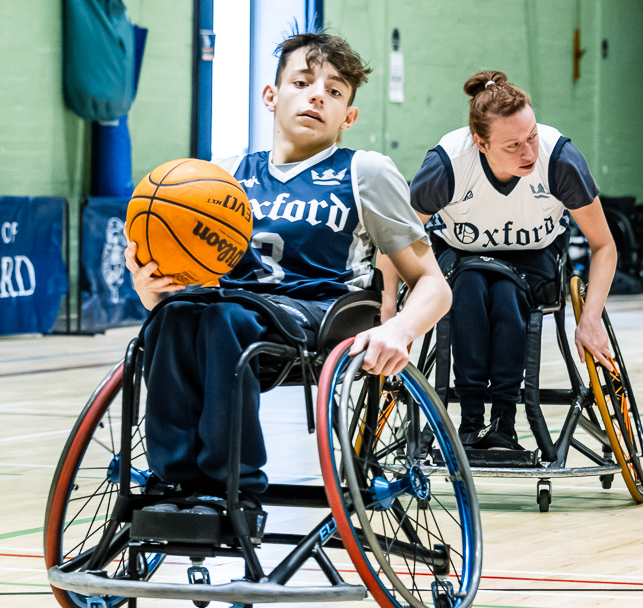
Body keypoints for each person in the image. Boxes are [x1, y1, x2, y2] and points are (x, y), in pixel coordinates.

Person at [123, 32, 451, 498]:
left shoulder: (365, 171)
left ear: (348, 116)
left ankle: (233, 487)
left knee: (223, 318)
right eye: (301, 82)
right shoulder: (224, 174)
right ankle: (175, 481)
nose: (317, 95)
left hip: (323, 313)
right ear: (271, 97)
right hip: (235, 312)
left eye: (334, 91)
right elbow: (191, 284)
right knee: (174, 316)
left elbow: (434, 284)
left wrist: (398, 329)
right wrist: (153, 289)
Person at [381, 71, 617, 450]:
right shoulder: (448, 163)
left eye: (532, 137)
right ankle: (471, 420)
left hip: (535, 257)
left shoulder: (559, 159)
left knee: (507, 293)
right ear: (481, 142)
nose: (528, 153)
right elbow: (395, 237)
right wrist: (390, 311)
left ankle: (504, 421)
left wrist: (589, 320)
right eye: (513, 145)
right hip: (461, 256)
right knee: (468, 288)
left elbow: (604, 245)